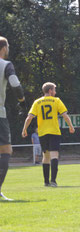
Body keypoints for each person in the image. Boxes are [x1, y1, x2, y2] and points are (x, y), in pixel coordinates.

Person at [22, 82, 75, 187]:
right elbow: (65, 115)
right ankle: (53, 181)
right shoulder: (56, 101)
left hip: (42, 133)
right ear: (50, 91)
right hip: (54, 132)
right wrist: (71, 126)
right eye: (54, 90)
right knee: (54, 155)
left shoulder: (37, 102)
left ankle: (46, 182)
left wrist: (24, 129)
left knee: (45, 156)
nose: (55, 92)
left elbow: (29, 117)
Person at [0, 36, 26, 201]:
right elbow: (15, 84)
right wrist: (22, 101)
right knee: (6, 151)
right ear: (3, 48)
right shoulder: (5, 64)